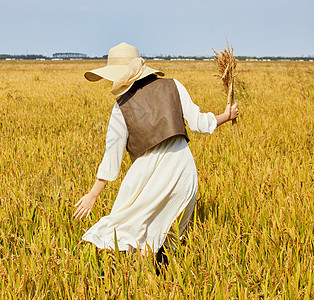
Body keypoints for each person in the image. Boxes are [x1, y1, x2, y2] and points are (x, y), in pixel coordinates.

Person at [73, 42, 239, 266]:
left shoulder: (121, 107)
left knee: (133, 236)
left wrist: (93, 194)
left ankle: (141, 284)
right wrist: (226, 116)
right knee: (168, 240)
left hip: (147, 174)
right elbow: (200, 123)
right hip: (183, 170)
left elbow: (112, 158)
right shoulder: (174, 86)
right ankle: (165, 280)